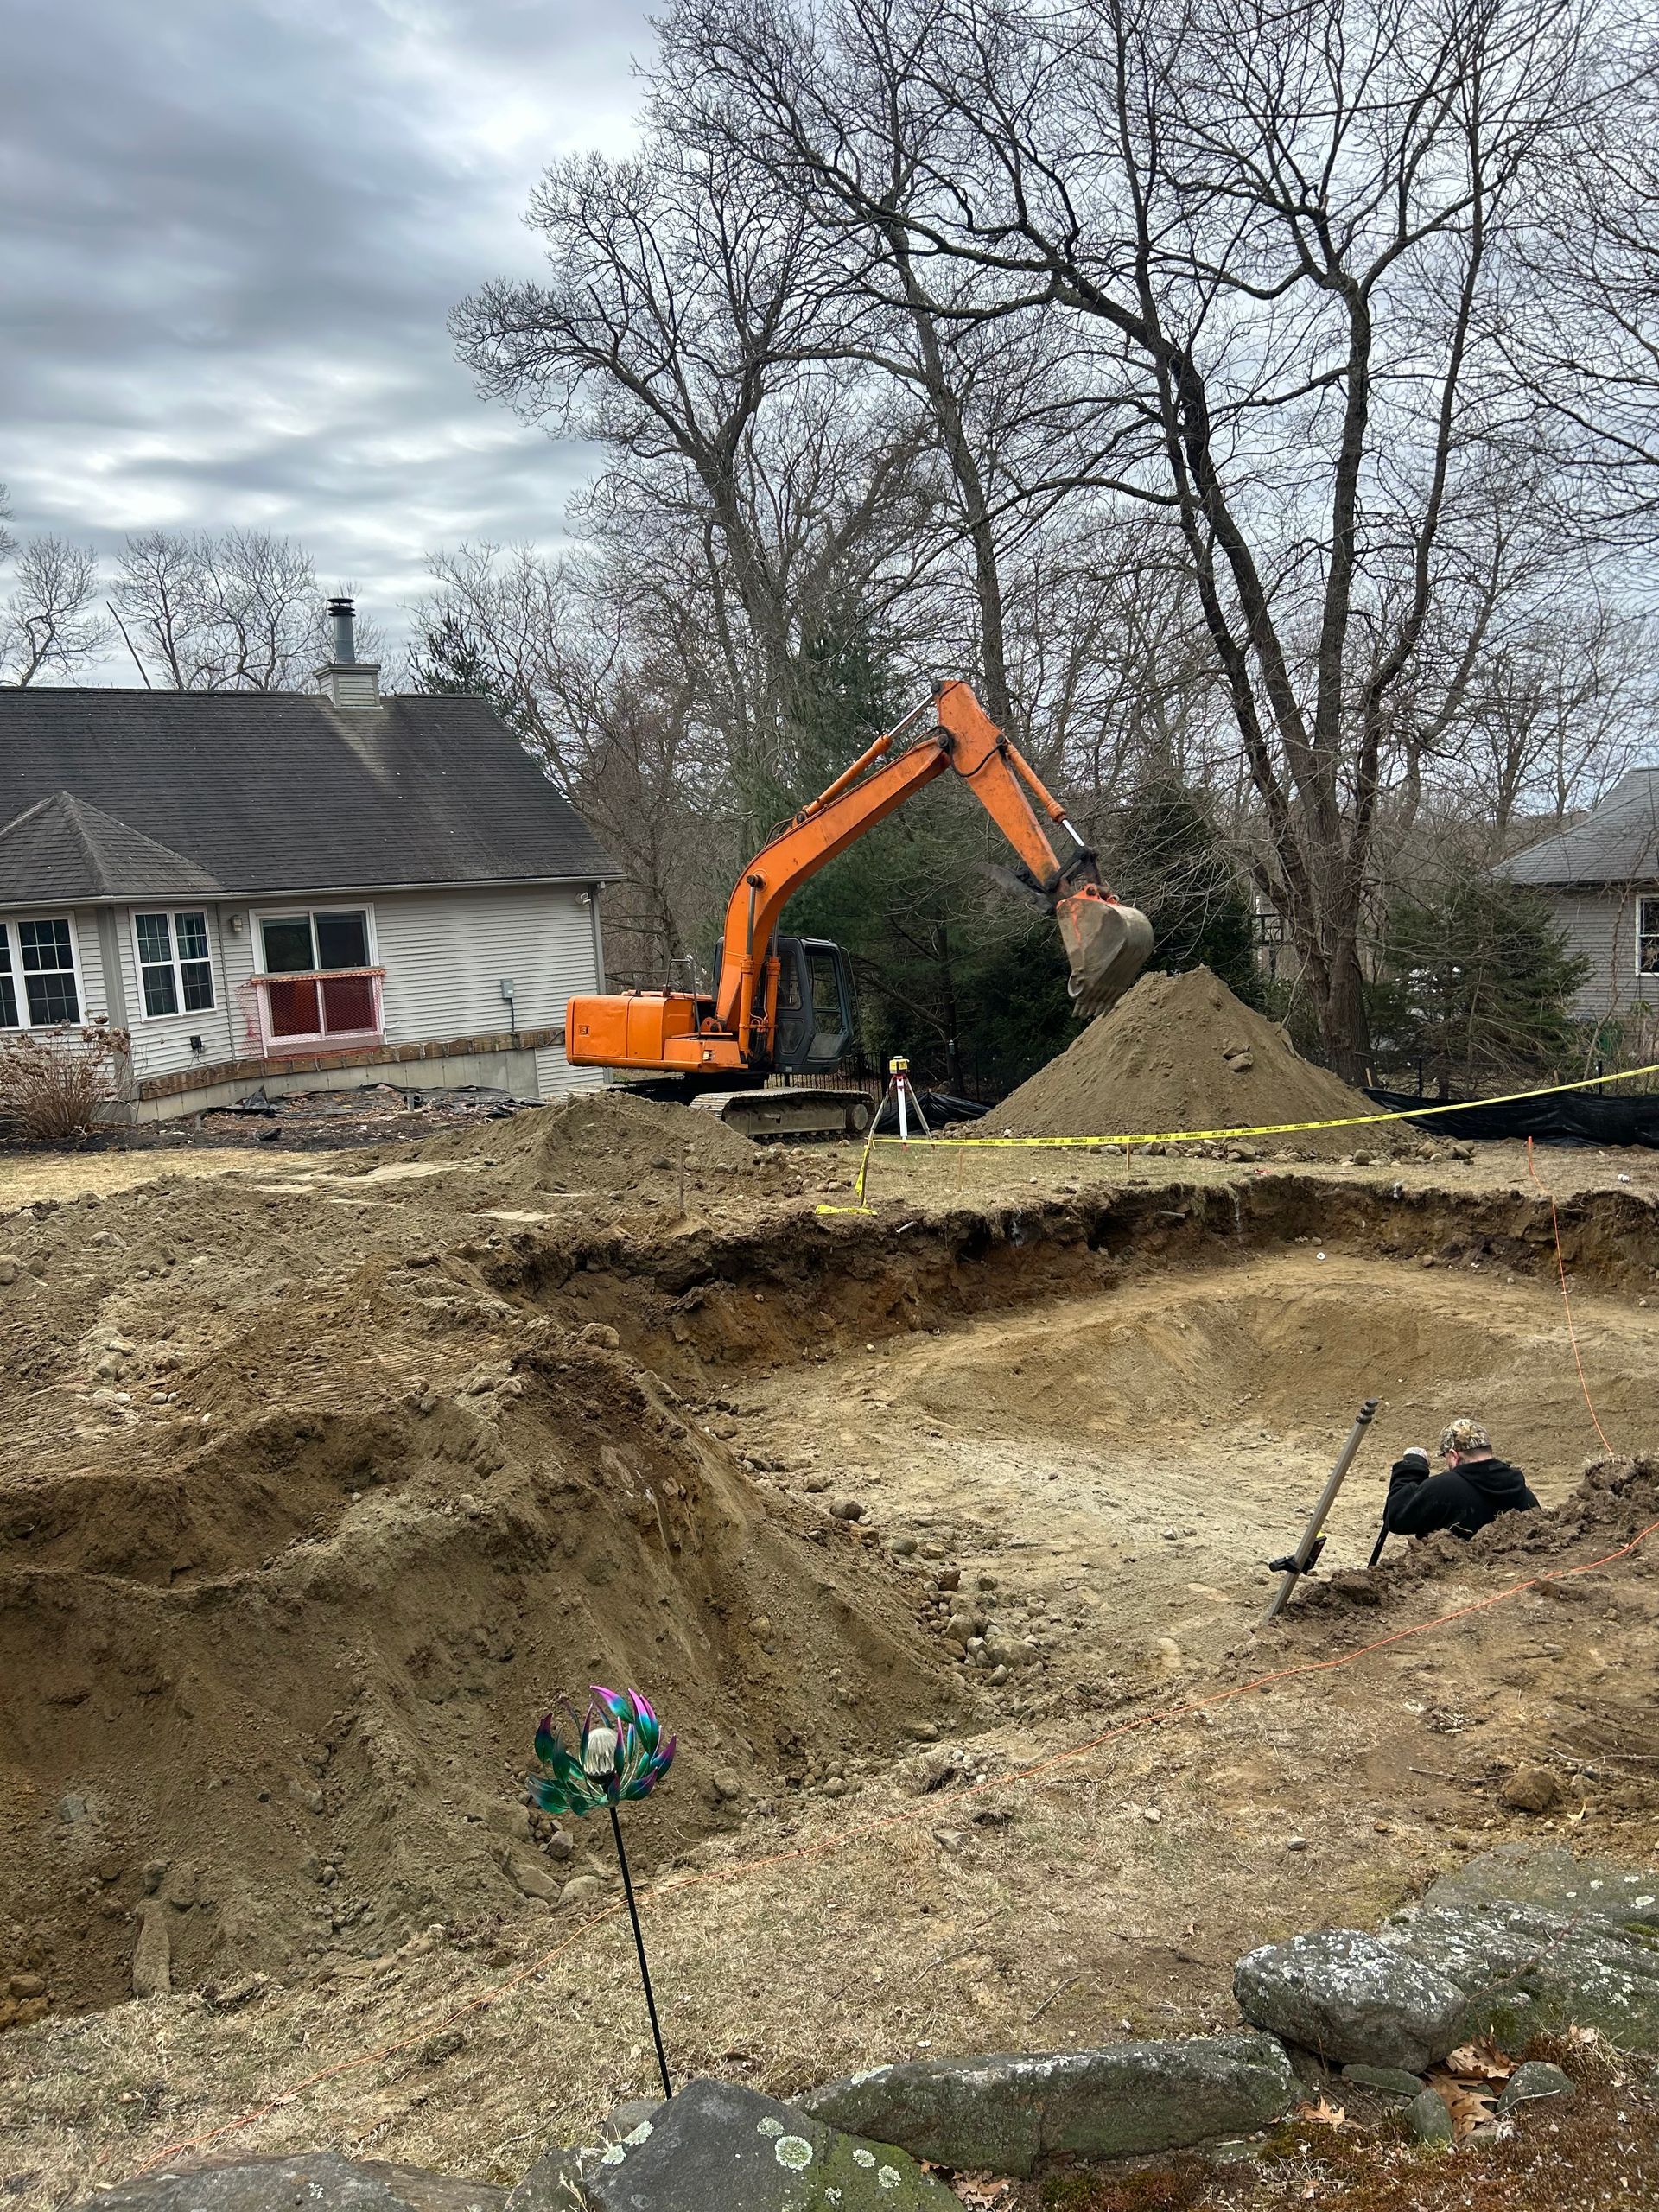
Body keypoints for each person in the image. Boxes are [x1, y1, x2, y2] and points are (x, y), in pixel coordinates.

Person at [1384, 1418, 1539, 1541]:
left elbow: (1396, 1517)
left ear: (1454, 1455)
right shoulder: (1524, 1493)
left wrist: (1412, 1466)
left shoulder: (1443, 1488)